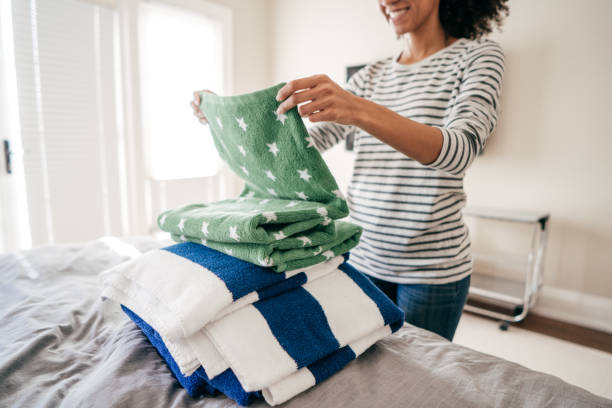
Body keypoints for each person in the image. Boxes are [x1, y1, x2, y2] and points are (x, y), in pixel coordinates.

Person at [191, 0, 508, 341]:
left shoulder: (479, 56)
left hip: (432, 269)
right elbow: (300, 150)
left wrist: (359, 109)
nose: (388, 1)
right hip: (363, 255)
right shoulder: (371, 75)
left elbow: (460, 149)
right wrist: (225, 119)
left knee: (419, 377)